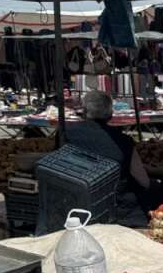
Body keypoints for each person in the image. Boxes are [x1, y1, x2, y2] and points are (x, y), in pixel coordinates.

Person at [63, 90, 158, 226]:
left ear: (84, 111)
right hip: (117, 208)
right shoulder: (123, 141)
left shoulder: (66, 133)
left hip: (76, 203)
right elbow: (143, 181)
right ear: (110, 114)